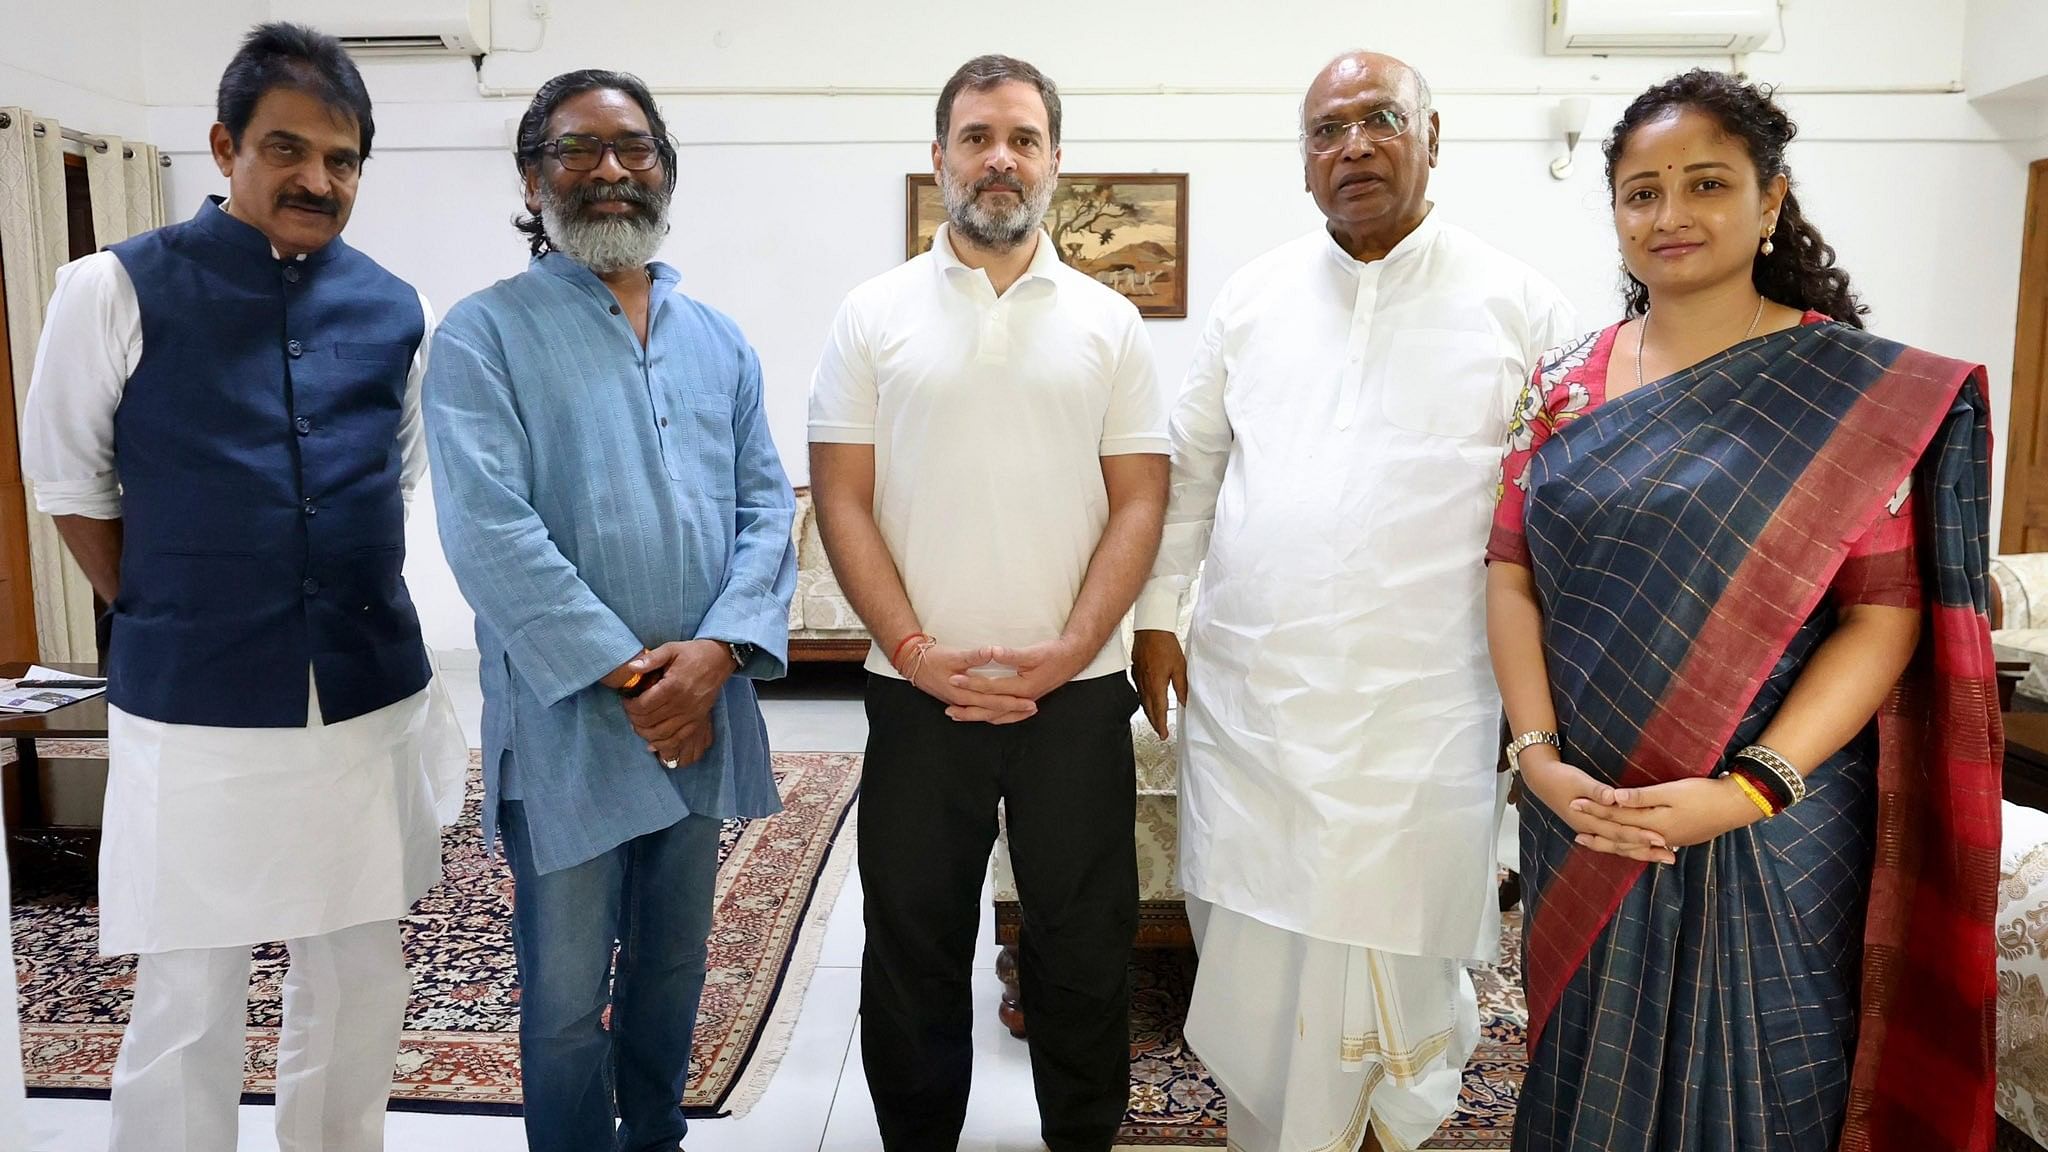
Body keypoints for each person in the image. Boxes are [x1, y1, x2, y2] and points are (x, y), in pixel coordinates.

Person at [1485, 69, 1998, 1152]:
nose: (1669, 215)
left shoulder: (1852, 393)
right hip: (1588, 800)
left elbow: (1880, 615)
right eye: (1639, 191)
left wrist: (1748, 789)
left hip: (1774, 810)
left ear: (1768, 201)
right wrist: (1534, 758)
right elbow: (1510, 572)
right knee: (1586, 1062)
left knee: (1767, 1075)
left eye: (1705, 184)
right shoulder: (1562, 384)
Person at [18, 22, 466, 1152]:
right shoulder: (109, 288)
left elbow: (393, 474)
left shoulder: (394, 305)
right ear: (225, 147)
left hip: (366, 700)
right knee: (187, 987)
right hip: (194, 703)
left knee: (361, 972)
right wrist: (168, 605)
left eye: (344, 159)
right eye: (287, 148)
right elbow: (67, 479)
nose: (318, 179)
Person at [1130, 49, 1575, 1152]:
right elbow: (1186, 473)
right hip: (1256, 697)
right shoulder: (1250, 297)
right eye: (1326, 130)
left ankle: (1382, 1134)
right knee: (1250, 950)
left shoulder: (1520, 304)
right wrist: (1154, 613)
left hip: (1425, 708)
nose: (1353, 146)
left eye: (1380, 120)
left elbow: (1560, 507)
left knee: (1401, 960)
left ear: (1434, 138)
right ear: (1302, 163)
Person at [422, 68, 795, 1152]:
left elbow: (765, 506)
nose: (609, 172)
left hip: (701, 706)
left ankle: (657, 1138)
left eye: (632, 149)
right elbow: (487, 531)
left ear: (664, 170)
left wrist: (717, 657)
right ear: (533, 177)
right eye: (577, 151)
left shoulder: (716, 337)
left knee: (675, 964)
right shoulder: (482, 335)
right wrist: (639, 680)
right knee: (563, 992)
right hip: (573, 722)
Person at [808, 53, 1168, 1152]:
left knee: (1081, 942)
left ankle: (1081, 1138)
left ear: (1056, 161)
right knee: (911, 946)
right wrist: (914, 652)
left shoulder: (1112, 323)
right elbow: (840, 498)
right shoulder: (869, 316)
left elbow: (1140, 501)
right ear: (939, 160)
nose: (998, 157)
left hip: (1077, 697)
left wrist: (1068, 652)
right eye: (975, 136)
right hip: (917, 698)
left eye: (1020, 137)